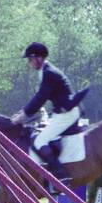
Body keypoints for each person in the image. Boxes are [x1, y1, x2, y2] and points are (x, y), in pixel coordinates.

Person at [11, 42, 80, 180]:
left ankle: (61, 176)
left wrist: (23, 115)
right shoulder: (45, 72)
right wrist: (22, 112)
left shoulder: (49, 73)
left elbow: (40, 98)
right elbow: (40, 97)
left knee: (39, 141)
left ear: (38, 58)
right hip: (61, 113)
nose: (29, 63)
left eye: (30, 60)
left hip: (67, 114)